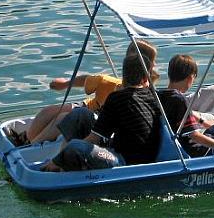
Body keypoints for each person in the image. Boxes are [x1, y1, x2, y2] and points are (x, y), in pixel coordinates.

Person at [17, 39, 158, 145]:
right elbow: (86, 80)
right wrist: (65, 84)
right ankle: (28, 139)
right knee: (49, 111)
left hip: (98, 122)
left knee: (63, 118)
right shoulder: (108, 82)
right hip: (87, 107)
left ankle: (34, 146)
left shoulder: (145, 95)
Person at [41, 53, 162, 172]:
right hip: (121, 147)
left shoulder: (116, 97)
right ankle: (61, 164)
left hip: (126, 160)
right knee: (81, 114)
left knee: (75, 146)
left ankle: (57, 164)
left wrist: (57, 159)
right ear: (146, 78)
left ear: (123, 76)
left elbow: (94, 139)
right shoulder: (154, 96)